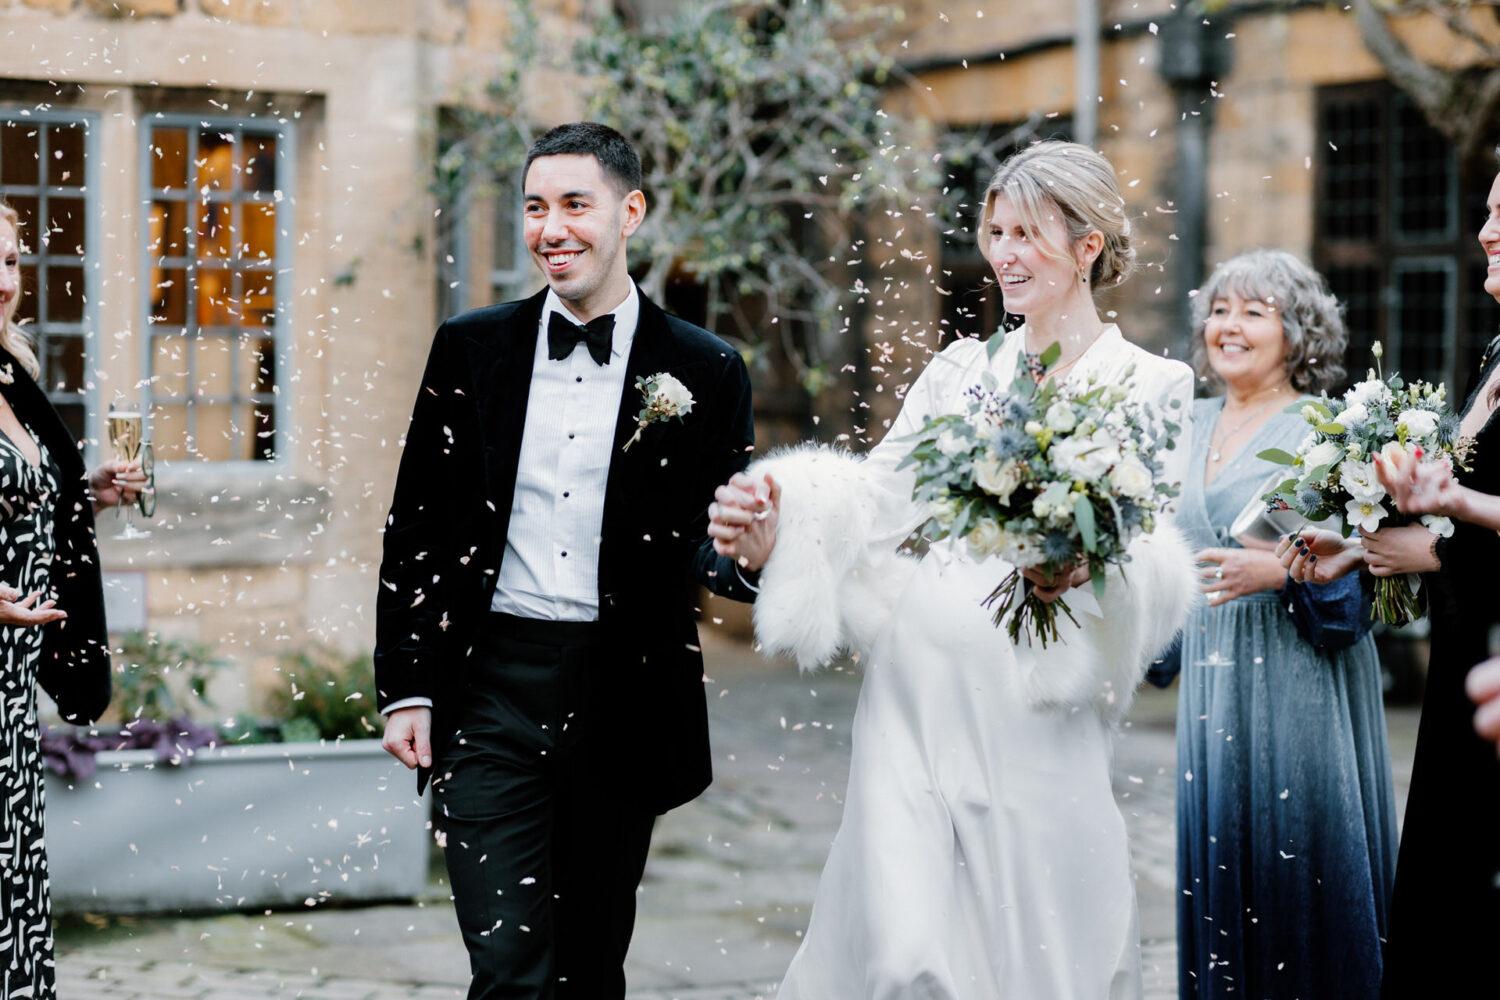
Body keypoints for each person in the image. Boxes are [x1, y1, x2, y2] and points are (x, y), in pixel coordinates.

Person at [710, 141, 1196, 997]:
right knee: (902, 950)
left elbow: (1152, 549)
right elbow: (879, 499)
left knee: (1042, 933)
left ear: (1087, 247)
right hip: (918, 681)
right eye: (995, 232)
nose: (1002, 254)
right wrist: (785, 520)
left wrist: (1088, 566)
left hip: (1041, 697)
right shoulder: (959, 372)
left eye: (1026, 234)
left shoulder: (1151, 384)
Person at [372, 123, 760, 999]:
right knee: (507, 964)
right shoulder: (470, 348)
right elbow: (418, 525)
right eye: (536, 207)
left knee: (589, 966)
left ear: (630, 213)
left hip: (621, 689)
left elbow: (716, 551)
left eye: (575, 205)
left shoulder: (706, 368)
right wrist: (407, 683)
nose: (552, 228)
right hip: (489, 686)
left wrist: (755, 558)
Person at [1280, 166, 1500, 995]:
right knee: (1441, 900)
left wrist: (1440, 546)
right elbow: (1454, 513)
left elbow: (1466, 516)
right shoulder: (1498, 352)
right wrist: (1358, 542)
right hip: (1461, 656)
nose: (1484, 230)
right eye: (1484, 210)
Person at [1166, 250, 1396, 998]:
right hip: (1210, 677)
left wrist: (1279, 570)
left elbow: (1346, 584)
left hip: (1296, 682)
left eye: (1253, 313)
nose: (1228, 327)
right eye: (1220, 311)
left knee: (1299, 864)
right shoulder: (1183, 423)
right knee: (1224, 858)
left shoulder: (1314, 432)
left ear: (1296, 334)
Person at [0, 200, 138, 996]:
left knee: (14, 894)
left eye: (14, 260)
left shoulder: (9, 372)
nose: (4, 280)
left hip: (12, 692)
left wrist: (81, 494)